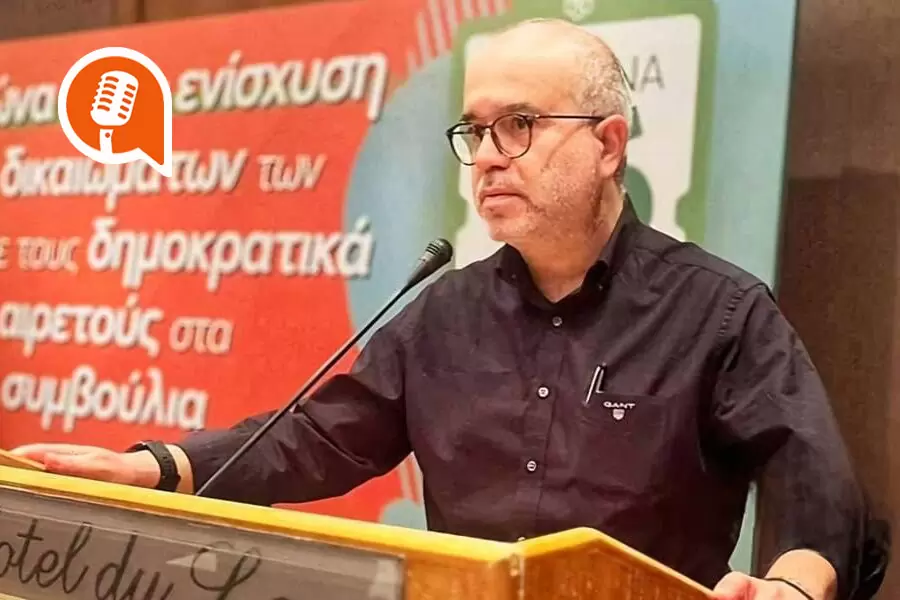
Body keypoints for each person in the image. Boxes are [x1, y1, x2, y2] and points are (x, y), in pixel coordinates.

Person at [14, 18, 865, 600]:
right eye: (475, 131)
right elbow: (319, 439)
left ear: (609, 145)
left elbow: (816, 487)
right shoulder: (444, 314)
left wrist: (791, 586)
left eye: (519, 125)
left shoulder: (718, 311)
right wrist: (151, 469)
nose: (487, 157)